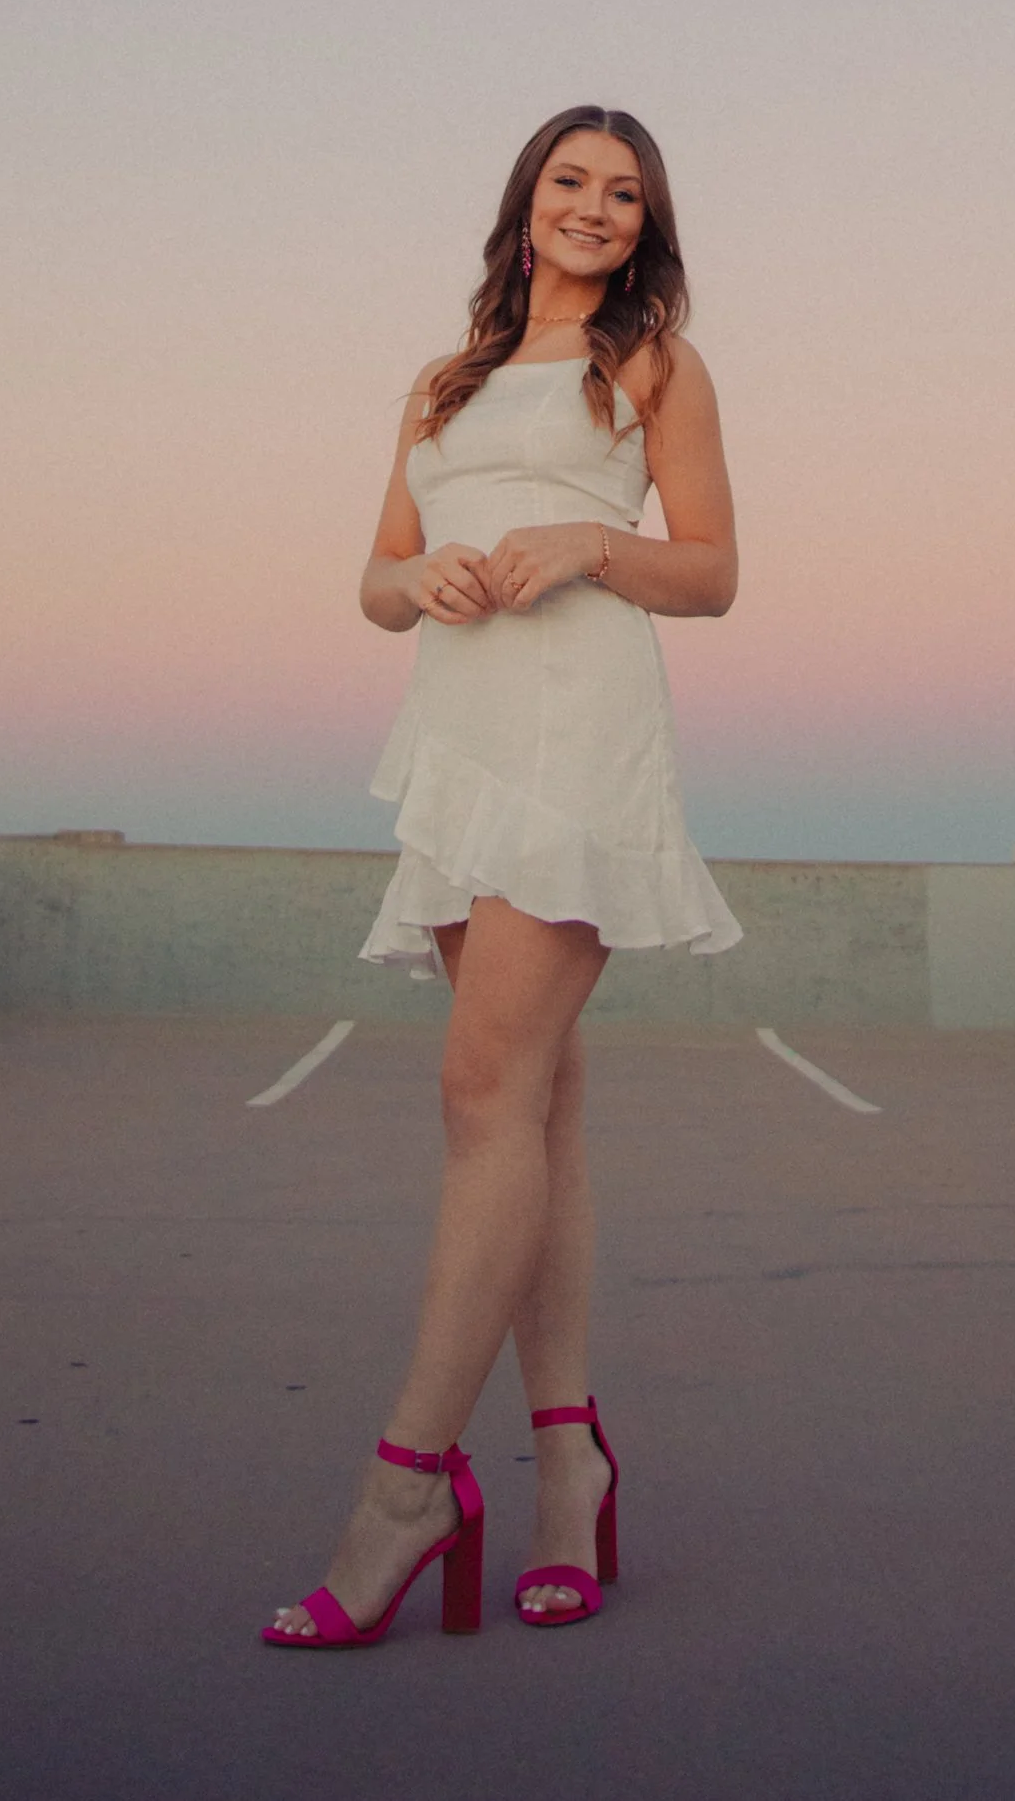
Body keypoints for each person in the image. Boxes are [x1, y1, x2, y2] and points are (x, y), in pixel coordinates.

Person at [262, 105, 740, 1647]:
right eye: (570, 182)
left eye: (624, 190)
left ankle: (407, 1483)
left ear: (645, 220)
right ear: (525, 204)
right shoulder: (440, 379)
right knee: (536, 1105)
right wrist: (430, 575)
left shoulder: (653, 364)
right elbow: (373, 581)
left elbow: (716, 569)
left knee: (480, 1097)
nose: (595, 206)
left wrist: (585, 545)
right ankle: (566, 1468)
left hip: (578, 724)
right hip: (460, 729)